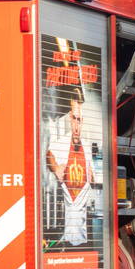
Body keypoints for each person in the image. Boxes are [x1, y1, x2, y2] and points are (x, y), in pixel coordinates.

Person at [45, 93, 94, 246]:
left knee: (79, 230)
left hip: (82, 205)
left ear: (83, 122)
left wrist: (91, 172)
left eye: (79, 120)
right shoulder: (62, 142)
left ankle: (78, 242)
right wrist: (55, 168)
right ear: (69, 119)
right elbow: (49, 154)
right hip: (69, 202)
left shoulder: (86, 145)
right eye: (74, 119)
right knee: (71, 230)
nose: (76, 125)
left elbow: (90, 168)